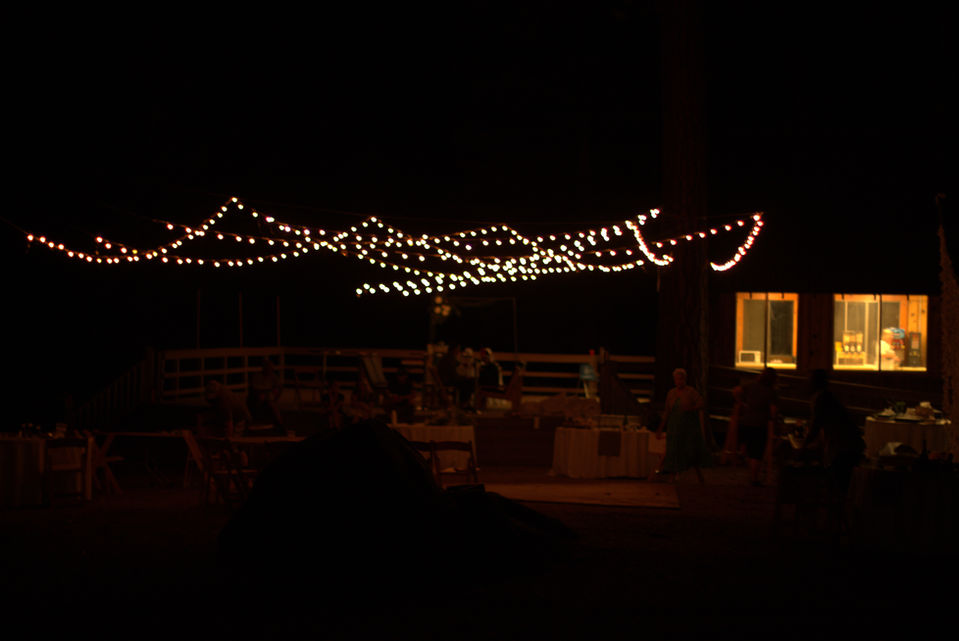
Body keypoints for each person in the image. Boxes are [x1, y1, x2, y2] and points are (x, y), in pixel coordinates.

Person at [802, 369, 865, 496]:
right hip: (849, 442)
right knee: (841, 483)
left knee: (840, 483)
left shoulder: (821, 399)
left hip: (844, 445)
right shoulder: (827, 397)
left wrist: (805, 444)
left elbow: (816, 424)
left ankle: (839, 511)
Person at [655, 368, 709, 483]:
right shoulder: (671, 393)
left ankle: (699, 476)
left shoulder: (691, 392)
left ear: (684, 379)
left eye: (680, 379)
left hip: (687, 427)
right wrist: (660, 428)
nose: (678, 381)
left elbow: (701, 403)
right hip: (674, 427)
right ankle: (672, 476)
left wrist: (692, 408)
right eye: (676, 379)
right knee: (673, 451)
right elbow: (667, 412)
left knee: (690, 451)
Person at [737, 367, 779, 486]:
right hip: (760, 424)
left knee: (751, 451)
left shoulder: (751, 386)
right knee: (757, 452)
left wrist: (741, 403)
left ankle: (748, 466)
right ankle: (754, 478)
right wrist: (773, 419)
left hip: (746, 421)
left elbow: (736, 391)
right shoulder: (771, 392)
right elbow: (773, 410)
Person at [248, 359, 283, 428]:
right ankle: (255, 419)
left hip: (268, 395)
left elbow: (279, 386)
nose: (270, 370)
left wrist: (276, 395)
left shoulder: (273, 376)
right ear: (264, 368)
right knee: (263, 398)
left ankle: (279, 422)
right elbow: (254, 388)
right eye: (268, 368)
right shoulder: (257, 376)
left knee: (271, 402)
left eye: (271, 368)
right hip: (259, 394)